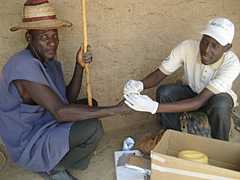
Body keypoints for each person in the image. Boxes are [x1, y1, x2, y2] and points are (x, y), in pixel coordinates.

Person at [0, 0, 128, 179]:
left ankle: (54, 159)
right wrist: (116, 110)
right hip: (29, 142)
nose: (52, 43)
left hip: (45, 122)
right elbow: (60, 112)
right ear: (29, 38)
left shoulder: (47, 62)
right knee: (92, 127)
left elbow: (66, 99)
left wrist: (79, 66)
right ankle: (52, 168)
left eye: (54, 36)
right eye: (44, 37)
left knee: (90, 107)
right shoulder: (23, 65)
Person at [124, 17, 240, 141]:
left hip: (214, 98)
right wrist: (139, 84)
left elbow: (198, 102)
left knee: (221, 105)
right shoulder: (187, 47)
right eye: (205, 42)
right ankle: (174, 137)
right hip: (192, 90)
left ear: (226, 48)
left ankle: (220, 145)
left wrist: (154, 107)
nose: (206, 50)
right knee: (164, 92)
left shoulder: (232, 64)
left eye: (214, 46)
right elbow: (159, 74)